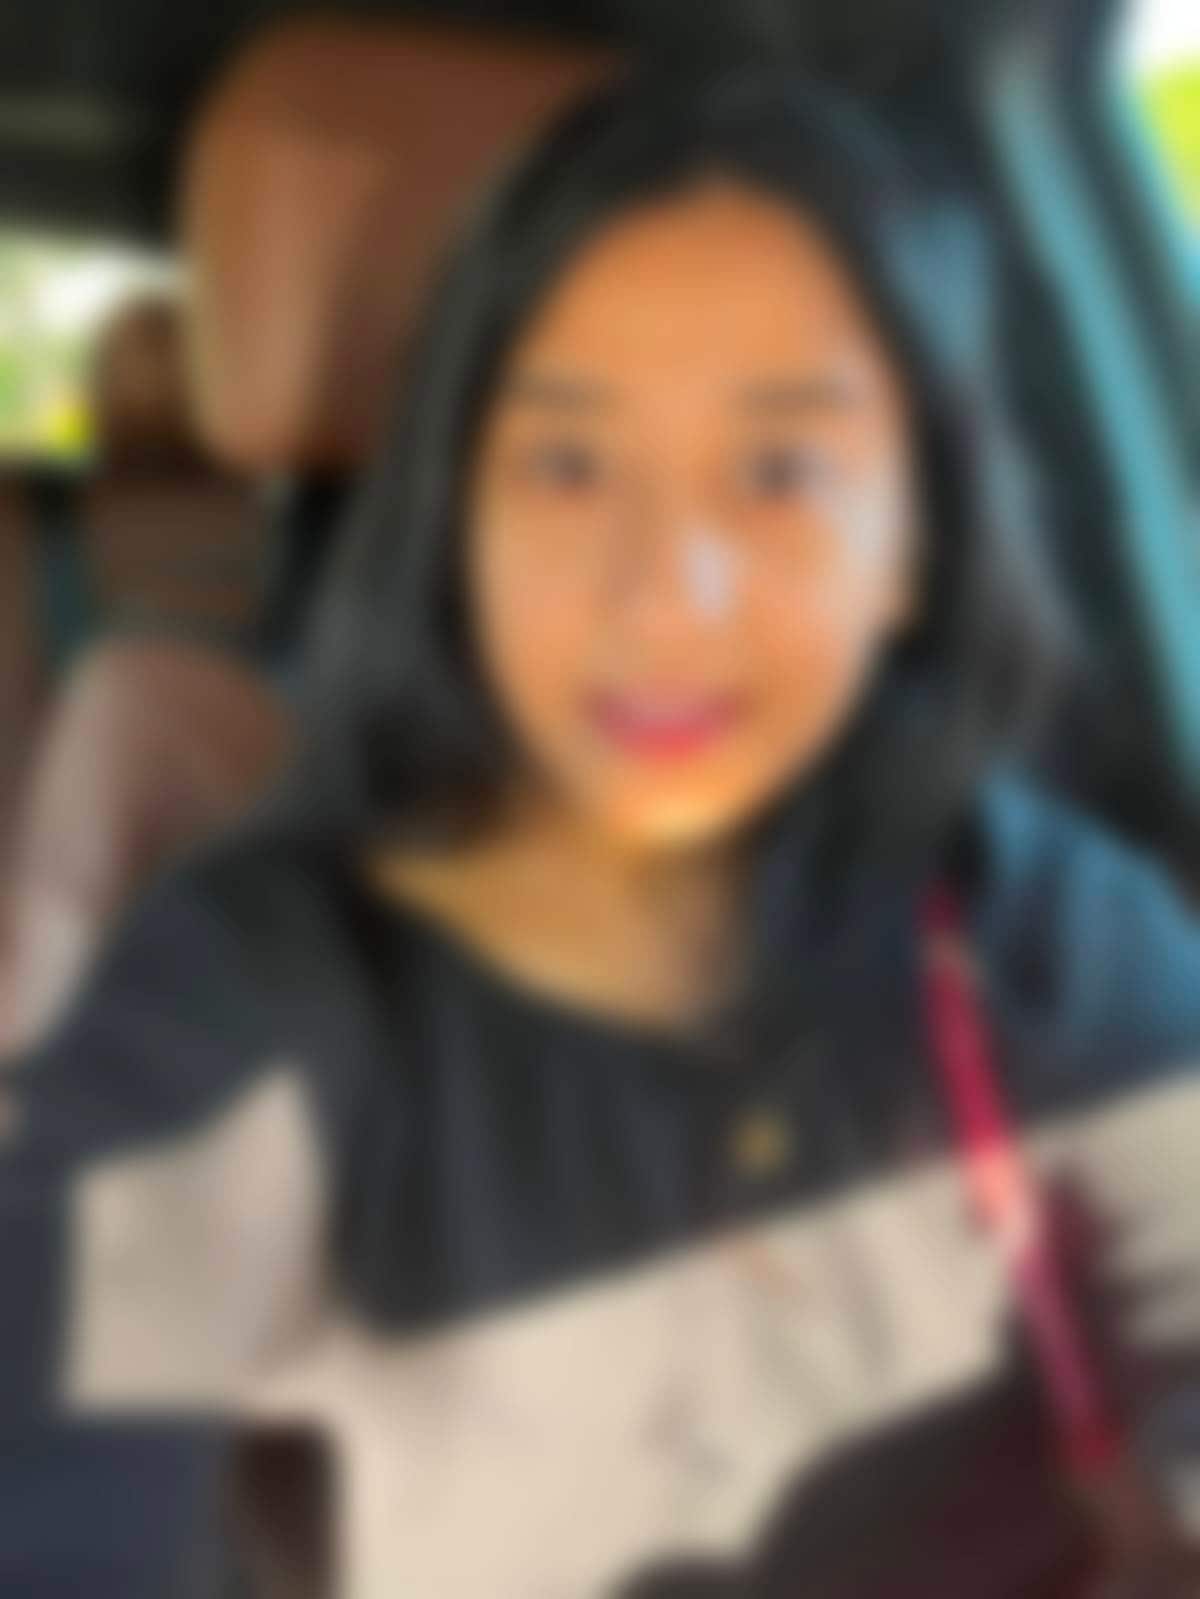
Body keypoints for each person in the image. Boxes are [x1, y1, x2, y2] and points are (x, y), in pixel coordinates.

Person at [3, 66, 1200, 1599]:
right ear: (463, 516)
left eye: (779, 471)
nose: (664, 594)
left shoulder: (1038, 930)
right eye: (568, 466)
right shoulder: (250, 989)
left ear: (915, 538)